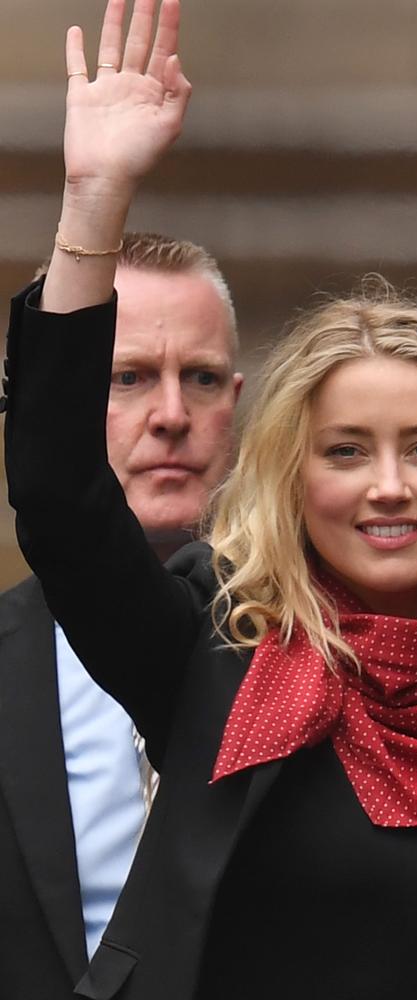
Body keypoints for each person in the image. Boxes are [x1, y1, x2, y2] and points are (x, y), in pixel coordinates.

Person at [3, 0, 417, 997]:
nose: (386, 485)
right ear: (295, 480)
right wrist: (94, 201)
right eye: (346, 450)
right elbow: (59, 501)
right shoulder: (212, 664)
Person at [0, 227, 242, 997]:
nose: (172, 413)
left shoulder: (319, 649)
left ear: (237, 404)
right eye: (129, 377)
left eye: (201, 379)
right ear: (62, 406)